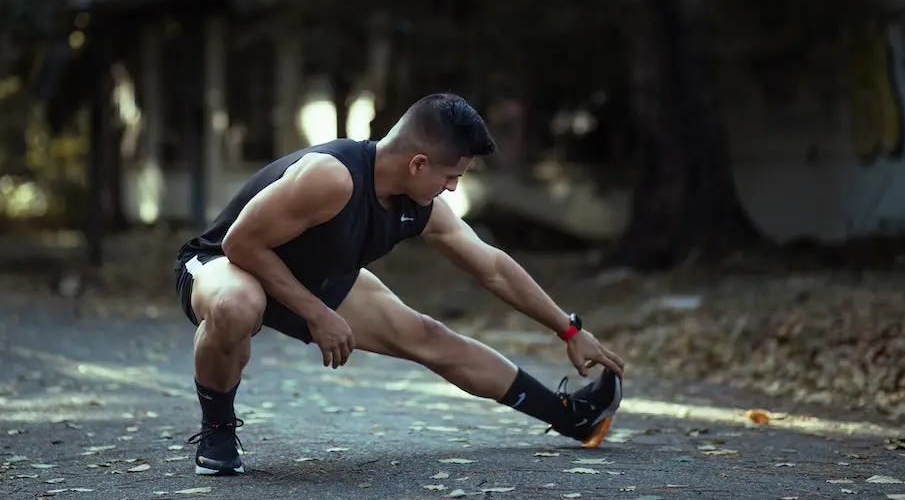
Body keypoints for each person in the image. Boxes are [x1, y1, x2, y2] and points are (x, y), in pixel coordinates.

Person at [173, 92, 626, 476]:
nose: (452, 188)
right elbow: (241, 245)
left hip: (315, 278)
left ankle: (572, 418)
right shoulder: (331, 177)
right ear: (418, 163)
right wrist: (316, 313)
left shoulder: (418, 202)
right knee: (238, 305)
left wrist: (568, 329)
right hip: (226, 263)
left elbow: (492, 267)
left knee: (430, 336)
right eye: (451, 176)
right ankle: (217, 429)